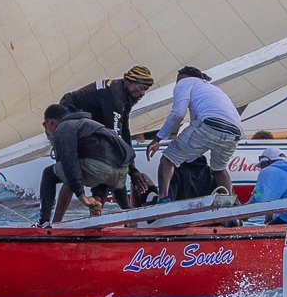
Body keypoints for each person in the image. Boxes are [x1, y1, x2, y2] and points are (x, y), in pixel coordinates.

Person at [50, 65, 156, 212]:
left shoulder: (127, 96)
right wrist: (132, 171)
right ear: (129, 81)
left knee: (108, 167)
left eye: (146, 90)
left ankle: (101, 211)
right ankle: (56, 223)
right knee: (73, 173)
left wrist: (133, 169)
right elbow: (115, 140)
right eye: (141, 88)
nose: (143, 93)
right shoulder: (115, 97)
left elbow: (125, 131)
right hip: (66, 121)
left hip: (86, 123)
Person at [147, 67, 244, 200]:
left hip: (209, 124)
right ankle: (228, 204)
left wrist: (157, 139)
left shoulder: (184, 82)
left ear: (181, 77)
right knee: (219, 169)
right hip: (235, 132)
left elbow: (178, 114)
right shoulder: (212, 87)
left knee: (168, 160)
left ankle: (162, 199)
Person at [40, 103, 135, 224]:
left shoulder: (63, 127)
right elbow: (109, 163)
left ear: (50, 122)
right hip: (122, 170)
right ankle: (129, 214)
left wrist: (81, 196)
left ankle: (43, 223)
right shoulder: (88, 123)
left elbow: (69, 162)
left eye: (45, 127)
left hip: (99, 168)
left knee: (49, 173)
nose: (47, 133)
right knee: (105, 173)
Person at [249, 148, 287, 224]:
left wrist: (254, 195)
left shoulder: (269, 171)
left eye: (261, 166)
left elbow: (258, 199)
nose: (261, 169)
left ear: (265, 163)